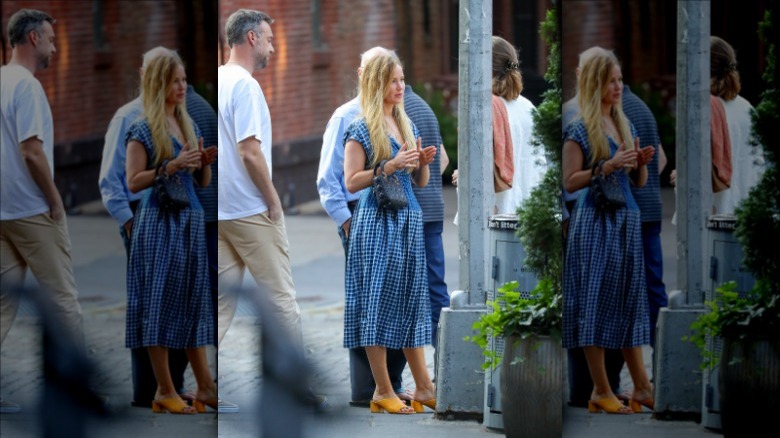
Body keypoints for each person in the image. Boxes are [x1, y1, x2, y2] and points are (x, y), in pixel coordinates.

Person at [217, 9, 326, 410]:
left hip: (222, 211)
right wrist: (273, 198)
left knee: (219, 304)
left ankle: (205, 386)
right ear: (250, 39)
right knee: (281, 300)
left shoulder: (218, 80)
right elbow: (249, 149)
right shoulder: (244, 86)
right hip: (250, 210)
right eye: (267, 39)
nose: (272, 47)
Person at [562, 46, 669, 407]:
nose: (619, 86)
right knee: (593, 302)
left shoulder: (624, 122)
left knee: (629, 302)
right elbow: (570, 181)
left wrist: (639, 163)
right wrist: (607, 166)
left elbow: (638, 183)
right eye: (612, 80)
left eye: (621, 79)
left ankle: (641, 386)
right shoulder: (579, 127)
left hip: (626, 220)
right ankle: (601, 389)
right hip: (595, 221)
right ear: (596, 83)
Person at [316, 46, 413, 406]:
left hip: (394, 215)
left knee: (394, 299)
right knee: (366, 300)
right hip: (360, 217)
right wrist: (347, 224)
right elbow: (329, 181)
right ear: (365, 75)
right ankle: (365, 389)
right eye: (385, 74)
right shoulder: (346, 117)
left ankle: (392, 383)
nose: (396, 83)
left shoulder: (397, 114)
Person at [342, 51, 438, 415]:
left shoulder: (405, 122)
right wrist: (387, 165)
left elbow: (421, 182)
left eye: (402, 79)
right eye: (394, 80)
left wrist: (421, 164)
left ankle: (425, 387)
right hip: (376, 223)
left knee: (413, 303)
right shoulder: (361, 126)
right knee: (376, 304)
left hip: (407, 221)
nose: (401, 86)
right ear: (377, 83)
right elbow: (351, 182)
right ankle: (382, 389)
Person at [98, 46, 193, 409]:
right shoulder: (128, 118)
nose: (179, 84)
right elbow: (112, 181)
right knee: (147, 303)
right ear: (147, 75)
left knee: (176, 301)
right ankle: (146, 390)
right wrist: (129, 223)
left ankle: (171, 384)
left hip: (176, 216)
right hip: (142, 219)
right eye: (170, 76)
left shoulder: (179, 116)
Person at [0, 9, 83, 414]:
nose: (54, 46)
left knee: (1, 304)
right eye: (50, 39)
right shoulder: (27, 87)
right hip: (33, 210)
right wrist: (54, 200)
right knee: (63, 300)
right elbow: (31, 151)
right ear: (32, 38)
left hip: (2, 213)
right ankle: (75, 391)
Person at [124, 50, 217, 414]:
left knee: (193, 304)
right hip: (159, 224)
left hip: (189, 222)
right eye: (175, 80)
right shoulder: (143, 128)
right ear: (159, 83)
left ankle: (206, 386)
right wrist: (171, 165)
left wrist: (202, 163)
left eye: (183, 79)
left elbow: (202, 182)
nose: (182, 87)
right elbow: (133, 181)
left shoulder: (187, 122)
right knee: (158, 304)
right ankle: (164, 388)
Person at [491, 36, 547, 214]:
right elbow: (542, 165)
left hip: (494, 214)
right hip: (529, 210)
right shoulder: (529, 108)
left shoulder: (485, 108)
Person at [709, 36, 765, 215]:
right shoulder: (746, 108)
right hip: (746, 207)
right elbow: (759, 163)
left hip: (712, 211)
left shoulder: (704, 109)